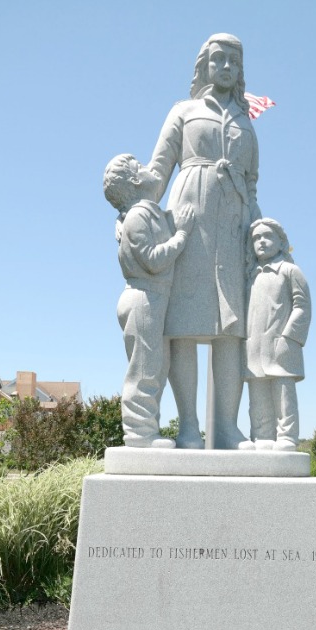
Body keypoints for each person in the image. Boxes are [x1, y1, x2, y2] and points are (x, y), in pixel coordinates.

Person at [148, 33, 261, 449]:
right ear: (204, 65)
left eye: (234, 60)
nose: (227, 67)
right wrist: (133, 205)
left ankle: (227, 428)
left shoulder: (246, 121)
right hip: (188, 219)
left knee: (231, 330)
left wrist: (259, 228)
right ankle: (188, 426)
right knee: (182, 325)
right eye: (219, 59)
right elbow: (158, 171)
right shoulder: (184, 111)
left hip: (233, 224)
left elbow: (252, 185)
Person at [103, 153, 194, 448]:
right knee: (144, 368)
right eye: (140, 166)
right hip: (144, 297)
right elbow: (154, 260)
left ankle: (145, 429)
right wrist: (181, 235)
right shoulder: (139, 215)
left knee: (155, 365)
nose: (147, 168)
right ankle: (140, 433)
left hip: (153, 298)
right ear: (135, 180)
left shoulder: (142, 213)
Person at [244, 218, 311, 451]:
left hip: (282, 345)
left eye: (267, 236)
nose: (261, 241)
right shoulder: (251, 275)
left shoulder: (290, 271)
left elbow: (302, 306)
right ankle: (262, 435)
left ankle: (287, 436)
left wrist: (289, 337)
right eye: (256, 238)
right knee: (258, 394)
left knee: (283, 395)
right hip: (254, 345)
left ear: (280, 241)